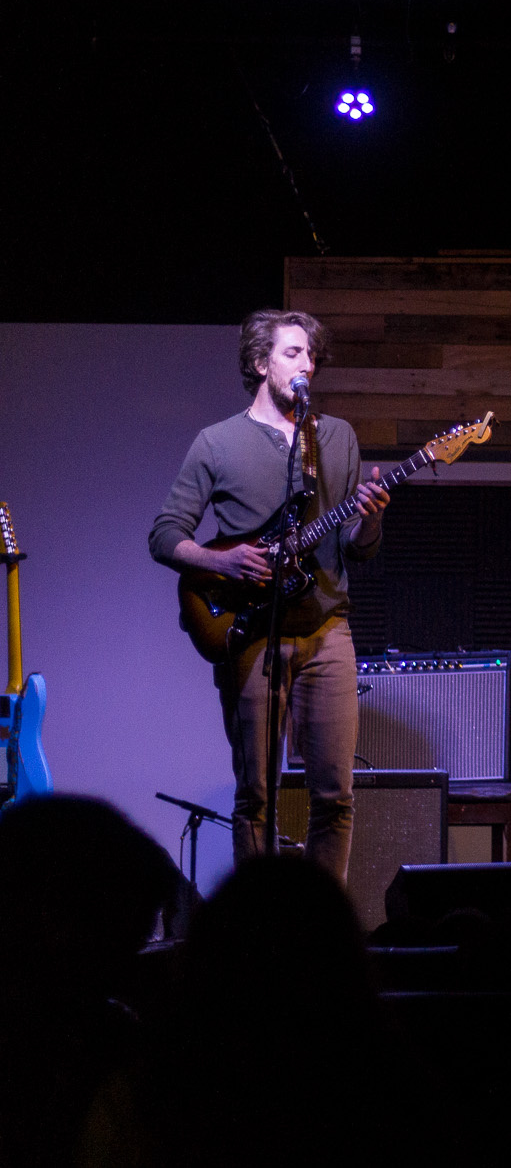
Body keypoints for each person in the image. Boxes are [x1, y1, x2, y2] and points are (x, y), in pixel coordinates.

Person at [149, 310, 389, 884]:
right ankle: (257, 932)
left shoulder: (336, 438)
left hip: (328, 630)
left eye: (310, 355)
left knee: (335, 795)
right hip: (252, 629)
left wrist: (371, 521)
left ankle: (320, 926)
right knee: (256, 794)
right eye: (292, 353)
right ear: (260, 364)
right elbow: (164, 535)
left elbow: (358, 550)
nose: (306, 363)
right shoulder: (217, 443)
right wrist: (219, 560)